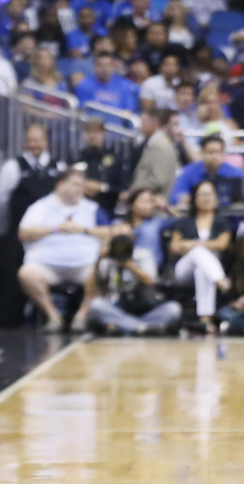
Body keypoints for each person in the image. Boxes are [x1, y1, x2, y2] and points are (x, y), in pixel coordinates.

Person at [17, 168, 118, 332]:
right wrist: (55, 229)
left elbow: (109, 232)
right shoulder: (40, 206)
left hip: (84, 264)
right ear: (61, 185)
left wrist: (83, 230)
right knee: (26, 274)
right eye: (76, 184)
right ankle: (53, 316)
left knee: (103, 271)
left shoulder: (92, 207)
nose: (80, 189)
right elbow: (24, 233)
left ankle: (81, 317)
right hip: (47, 264)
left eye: (82, 185)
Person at [85, 233, 183, 335]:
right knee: (96, 305)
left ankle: (127, 327)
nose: (120, 252)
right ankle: (140, 328)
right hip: (119, 308)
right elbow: (92, 289)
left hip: (145, 307)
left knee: (174, 309)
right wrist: (98, 260)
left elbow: (149, 280)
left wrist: (129, 265)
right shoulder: (108, 261)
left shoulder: (143, 255)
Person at [169, 179, 233, 332]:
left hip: (209, 266)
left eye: (209, 195)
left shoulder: (222, 221)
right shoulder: (184, 221)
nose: (206, 199)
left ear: (216, 198)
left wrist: (191, 244)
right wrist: (197, 246)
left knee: (201, 269)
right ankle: (221, 281)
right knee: (197, 252)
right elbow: (174, 246)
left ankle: (205, 319)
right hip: (184, 268)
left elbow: (222, 244)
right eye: (202, 195)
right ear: (194, 199)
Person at [169, 134, 244, 208]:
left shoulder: (237, 174)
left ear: (223, 154)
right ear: (202, 153)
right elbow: (175, 197)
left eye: (218, 152)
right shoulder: (188, 172)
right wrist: (187, 198)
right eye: (210, 152)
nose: (214, 156)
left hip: (229, 218)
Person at [127, 109, 182, 198]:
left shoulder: (160, 145)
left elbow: (158, 180)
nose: (140, 126)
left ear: (154, 122)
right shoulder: (155, 143)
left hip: (153, 203)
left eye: (143, 122)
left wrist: (133, 191)